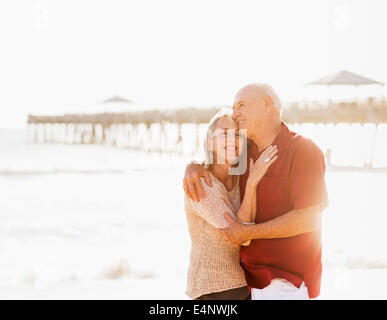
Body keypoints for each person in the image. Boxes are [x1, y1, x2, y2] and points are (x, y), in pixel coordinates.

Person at [183, 83, 328, 300]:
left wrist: (249, 232)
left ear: (267, 104)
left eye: (241, 105)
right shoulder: (245, 152)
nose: (235, 113)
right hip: (250, 286)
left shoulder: (302, 149)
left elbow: (308, 220)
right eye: (233, 107)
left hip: (288, 284)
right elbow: (219, 157)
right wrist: (194, 165)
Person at [184, 108, 278, 300]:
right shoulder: (202, 183)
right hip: (211, 290)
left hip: (244, 286)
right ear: (210, 142)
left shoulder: (239, 177)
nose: (232, 140)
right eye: (224, 134)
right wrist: (253, 183)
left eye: (237, 134)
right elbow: (240, 236)